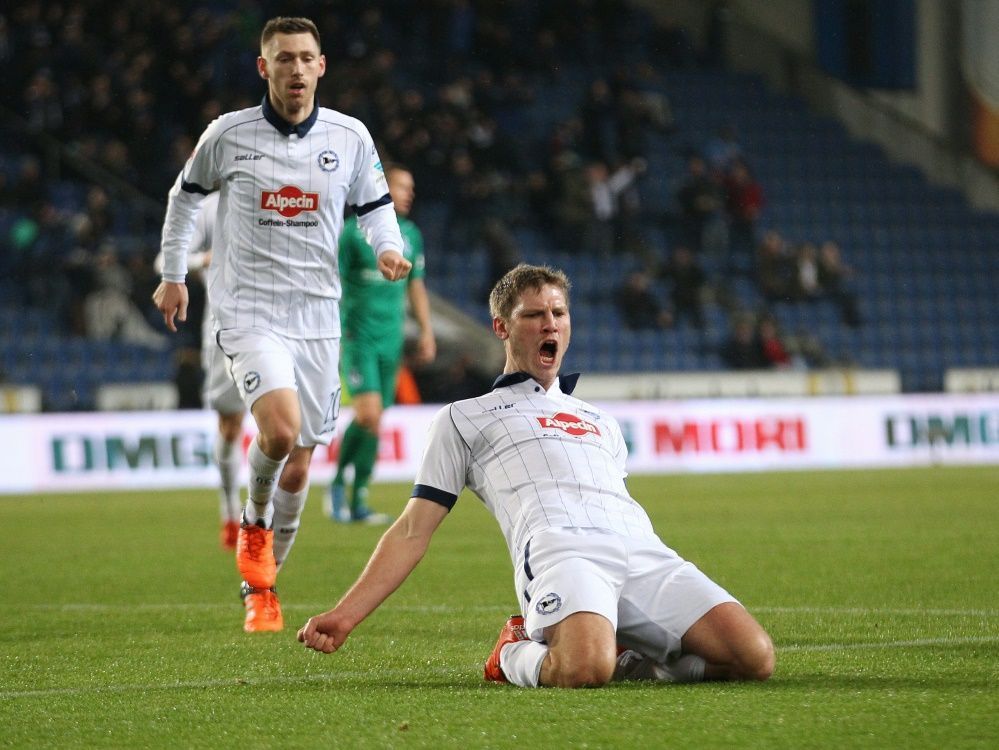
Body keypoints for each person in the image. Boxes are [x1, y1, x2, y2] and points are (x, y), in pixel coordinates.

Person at [298, 263, 775, 688]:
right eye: (534, 315)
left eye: (559, 313)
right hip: (562, 552)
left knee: (754, 658)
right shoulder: (463, 418)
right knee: (584, 670)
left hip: (643, 550)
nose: (550, 324)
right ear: (502, 327)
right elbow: (411, 529)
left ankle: (634, 661)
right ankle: (511, 653)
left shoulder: (600, 421)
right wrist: (345, 615)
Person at [153, 16, 411, 633]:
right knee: (278, 429)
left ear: (322, 66)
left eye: (306, 58)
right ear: (263, 68)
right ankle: (252, 524)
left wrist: (387, 247)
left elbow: (375, 206)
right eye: (283, 59)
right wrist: (172, 274)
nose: (296, 69)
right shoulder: (228, 134)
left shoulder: (350, 137)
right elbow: (184, 197)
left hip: (318, 317)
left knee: (299, 463)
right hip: (249, 313)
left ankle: (262, 588)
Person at [326, 165, 436, 524]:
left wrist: (426, 331)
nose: (409, 193)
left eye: (411, 187)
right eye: (401, 186)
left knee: (375, 421)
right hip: (358, 338)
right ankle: (338, 485)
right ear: (380, 188)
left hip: (391, 340)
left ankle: (358, 498)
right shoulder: (351, 232)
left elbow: (416, 285)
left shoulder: (411, 234)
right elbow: (333, 284)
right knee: (368, 414)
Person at [154, 192, 245, 550]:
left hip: (283, 325)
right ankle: (230, 510)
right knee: (230, 424)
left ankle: (264, 516)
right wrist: (204, 258)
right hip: (224, 328)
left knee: (284, 426)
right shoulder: (209, 206)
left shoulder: (285, 190)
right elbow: (165, 259)